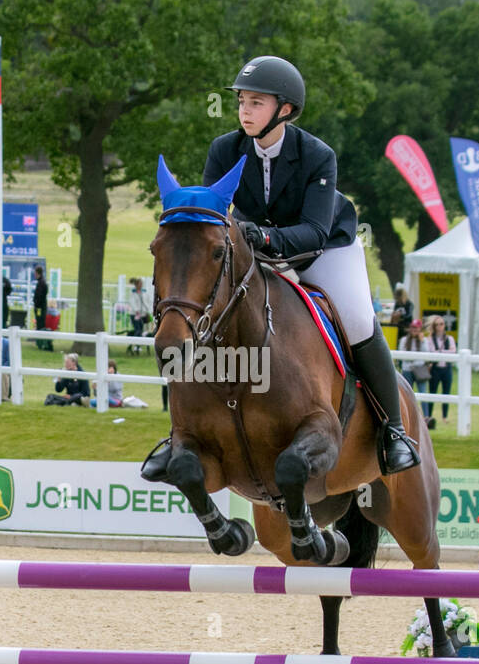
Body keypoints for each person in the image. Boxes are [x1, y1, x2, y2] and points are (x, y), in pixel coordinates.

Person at [143, 55, 419, 480]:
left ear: (285, 109)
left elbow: (313, 231)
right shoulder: (225, 150)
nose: (245, 112)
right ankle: (180, 435)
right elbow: (214, 220)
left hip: (324, 251)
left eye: (256, 103)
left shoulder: (316, 156)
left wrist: (263, 237)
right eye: (242, 103)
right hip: (257, 254)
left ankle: (393, 431)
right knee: (208, 317)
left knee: (360, 320)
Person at [397, 318, 432, 423]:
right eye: (412, 327)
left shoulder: (424, 340)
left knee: (423, 392)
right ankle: (408, 415)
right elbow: (402, 355)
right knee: (407, 393)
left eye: (416, 328)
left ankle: (426, 416)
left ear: (420, 329)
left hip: (419, 369)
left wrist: (422, 341)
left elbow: (426, 354)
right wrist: (415, 359)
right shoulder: (404, 340)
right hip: (407, 370)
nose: (414, 330)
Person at [426, 314, 456, 427]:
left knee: (446, 392)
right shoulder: (429, 339)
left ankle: (445, 416)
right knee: (432, 392)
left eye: (441, 324)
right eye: (437, 324)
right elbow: (431, 352)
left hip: (446, 368)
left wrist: (439, 352)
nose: (439, 326)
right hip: (435, 369)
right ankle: (429, 415)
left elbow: (453, 352)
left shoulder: (450, 339)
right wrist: (443, 352)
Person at [127, 277, 148, 354]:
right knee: (138, 329)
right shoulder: (133, 293)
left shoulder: (143, 292)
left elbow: (145, 302)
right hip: (134, 314)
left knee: (140, 330)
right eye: (140, 284)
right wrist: (137, 311)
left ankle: (137, 346)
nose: (141, 285)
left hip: (142, 315)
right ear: (137, 285)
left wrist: (146, 311)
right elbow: (132, 302)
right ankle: (133, 345)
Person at [33, 266, 50, 350]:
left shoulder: (41, 283)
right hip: (41, 307)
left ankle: (40, 342)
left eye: (35, 273)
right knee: (40, 324)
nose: (34, 274)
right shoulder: (42, 282)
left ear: (37, 273)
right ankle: (40, 341)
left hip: (40, 308)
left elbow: (39, 296)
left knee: (40, 324)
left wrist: (36, 304)